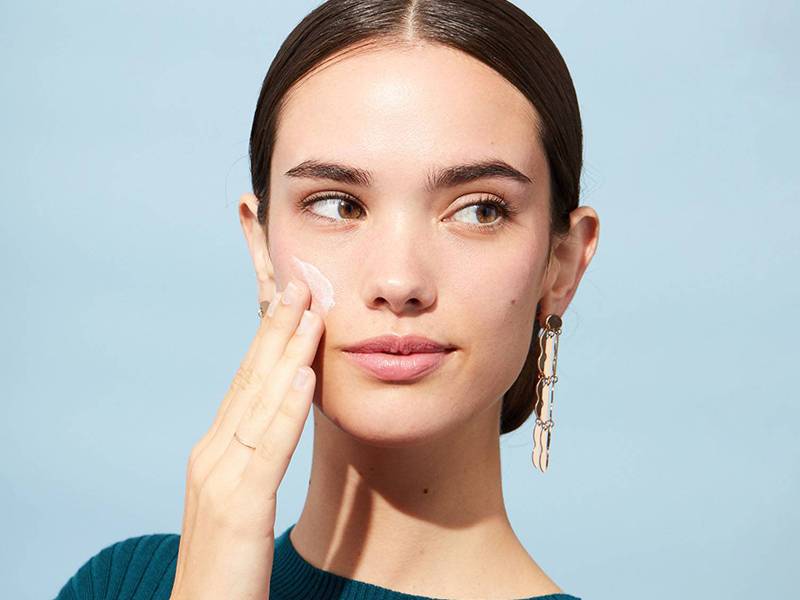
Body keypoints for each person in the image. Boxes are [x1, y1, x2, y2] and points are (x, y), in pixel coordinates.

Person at [55, 0, 600, 598]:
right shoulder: (125, 585)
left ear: (563, 263)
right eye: (338, 205)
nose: (398, 282)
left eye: (478, 210)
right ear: (262, 248)